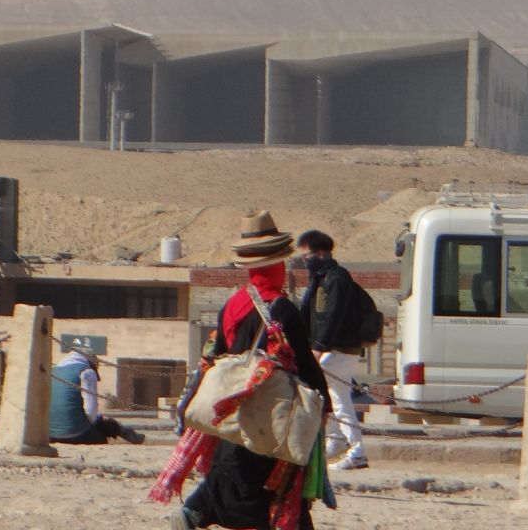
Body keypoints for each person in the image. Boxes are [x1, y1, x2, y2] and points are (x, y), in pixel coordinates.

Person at [157, 211, 331, 530]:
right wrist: (324, 401)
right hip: (270, 411)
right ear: (277, 264)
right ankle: (196, 512)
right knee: (271, 486)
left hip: (232, 410)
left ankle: (194, 511)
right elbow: (304, 363)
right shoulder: (282, 310)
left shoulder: (232, 305)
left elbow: (217, 355)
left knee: (231, 472)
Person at [296, 228, 369, 471]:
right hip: (332, 348)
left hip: (340, 348)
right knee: (333, 394)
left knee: (337, 398)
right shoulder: (320, 279)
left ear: (321, 253)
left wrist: (318, 349)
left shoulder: (337, 278)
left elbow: (333, 317)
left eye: (306, 257)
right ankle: (336, 441)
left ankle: (357, 452)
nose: (305, 262)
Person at [49, 345, 146, 445]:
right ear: (92, 363)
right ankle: (124, 432)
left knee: (99, 421)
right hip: (76, 434)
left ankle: (124, 432)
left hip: (50, 434)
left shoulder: (54, 371)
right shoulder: (87, 372)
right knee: (102, 428)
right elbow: (91, 410)